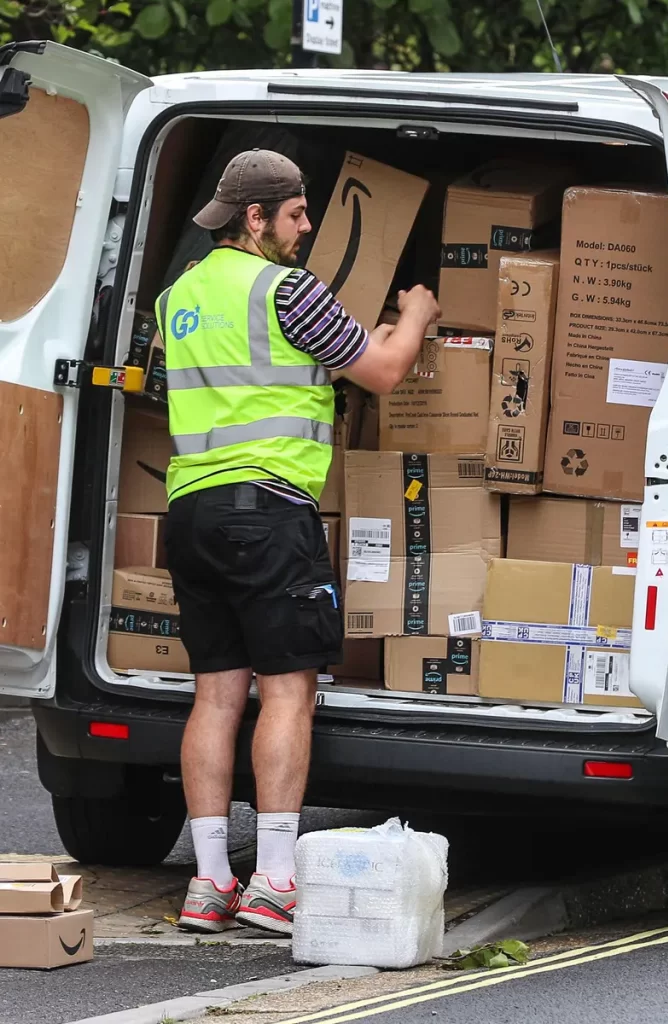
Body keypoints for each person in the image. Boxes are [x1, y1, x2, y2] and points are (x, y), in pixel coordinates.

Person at [153, 149, 440, 934]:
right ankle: (276, 881)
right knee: (288, 691)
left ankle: (210, 882)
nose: (307, 226)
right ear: (256, 218)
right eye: (296, 212)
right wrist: (415, 315)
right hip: (268, 514)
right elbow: (382, 372)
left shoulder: (177, 297)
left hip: (191, 513)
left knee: (216, 695)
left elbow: (248, 374)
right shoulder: (286, 290)